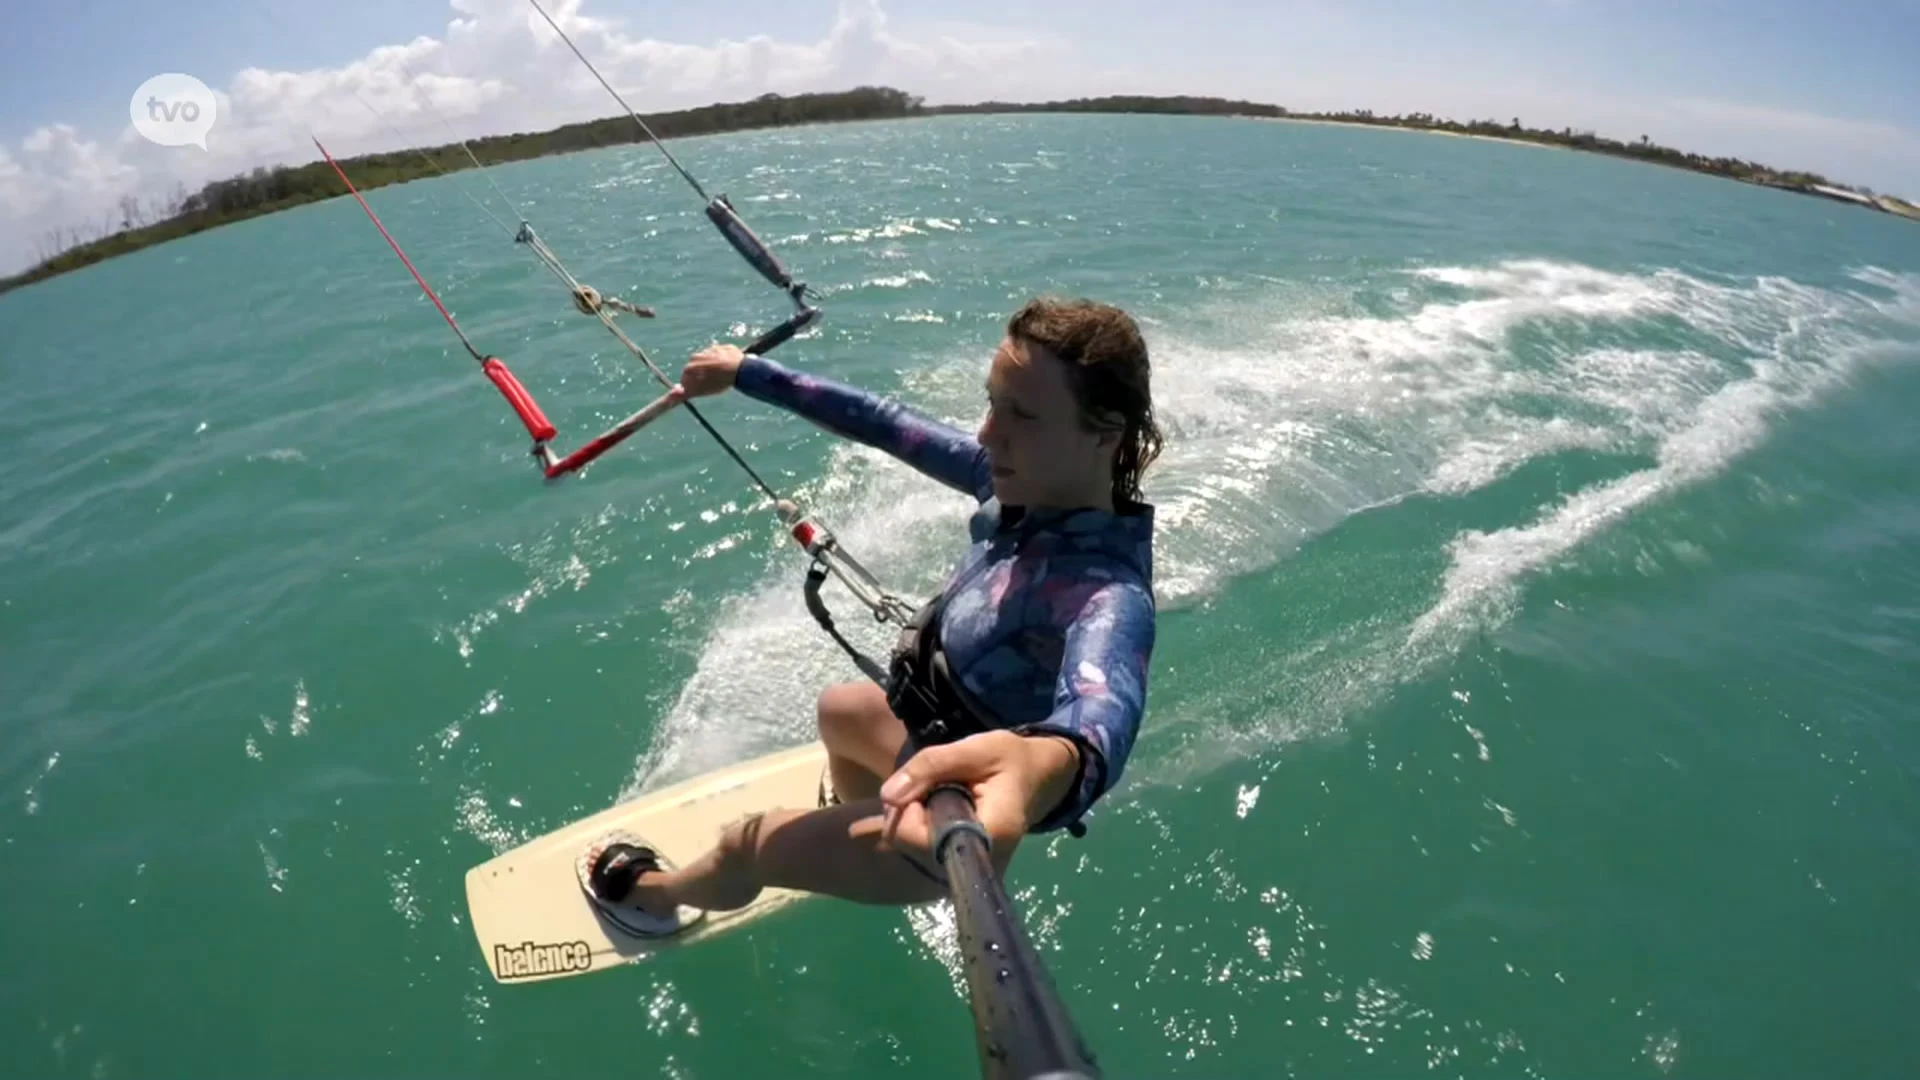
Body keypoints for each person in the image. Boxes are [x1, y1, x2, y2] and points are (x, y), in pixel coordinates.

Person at [585, 296, 1165, 934]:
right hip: (923, 738)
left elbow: (1100, 718)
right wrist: (747, 372)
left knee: (745, 844)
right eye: (992, 402)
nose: (986, 433)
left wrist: (1043, 764)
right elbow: (885, 422)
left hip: (948, 825)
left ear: (1104, 433)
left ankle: (657, 899)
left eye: (1021, 414)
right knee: (841, 708)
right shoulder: (1009, 484)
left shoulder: (1107, 594)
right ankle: (850, 828)